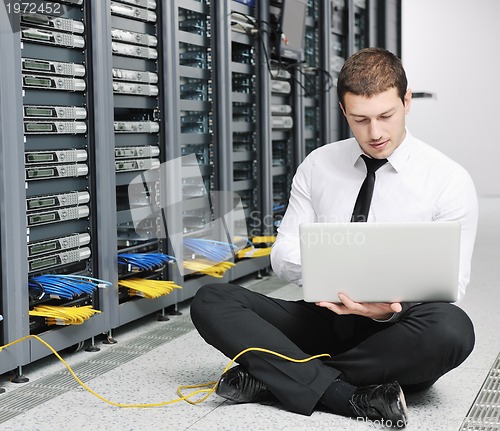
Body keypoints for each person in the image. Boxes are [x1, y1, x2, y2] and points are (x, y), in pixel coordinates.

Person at [190, 47, 478, 428]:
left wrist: (385, 307)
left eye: (386, 116)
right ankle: (347, 396)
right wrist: (334, 280)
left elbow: (451, 282)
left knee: (452, 330)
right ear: (344, 112)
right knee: (213, 299)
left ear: (407, 102)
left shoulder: (448, 180)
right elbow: (284, 253)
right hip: (324, 316)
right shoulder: (318, 165)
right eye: (360, 119)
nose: (375, 133)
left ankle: (277, 379)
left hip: (393, 333)